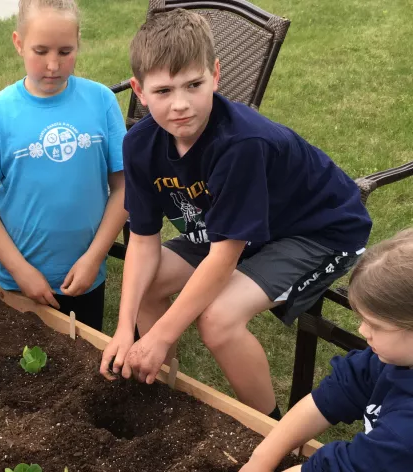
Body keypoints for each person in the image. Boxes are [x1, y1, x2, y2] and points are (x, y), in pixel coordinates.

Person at [99, 9, 372, 419]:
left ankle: (271, 429)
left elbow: (224, 257)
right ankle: (161, 387)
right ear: (139, 90)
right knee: (149, 284)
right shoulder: (139, 143)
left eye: (194, 84)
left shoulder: (241, 144)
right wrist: (125, 329)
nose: (180, 104)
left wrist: (158, 334)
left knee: (218, 319)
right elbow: (142, 238)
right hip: (233, 225)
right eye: (163, 91)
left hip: (318, 230)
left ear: (216, 74)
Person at [0, 0, 128, 331]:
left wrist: (94, 258)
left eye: (65, 51)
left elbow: (124, 186)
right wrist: (20, 269)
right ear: (18, 43)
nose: (53, 65)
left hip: (86, 277)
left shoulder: (101, 101)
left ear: (78, 39)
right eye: (40, 51)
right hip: (20, 281)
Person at [241, 229, 413, 472]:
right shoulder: (392, 359)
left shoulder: (404, 435)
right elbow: (338, 391)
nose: (362, 330)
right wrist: (259, 461)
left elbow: (345, 467)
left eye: (376, 325)